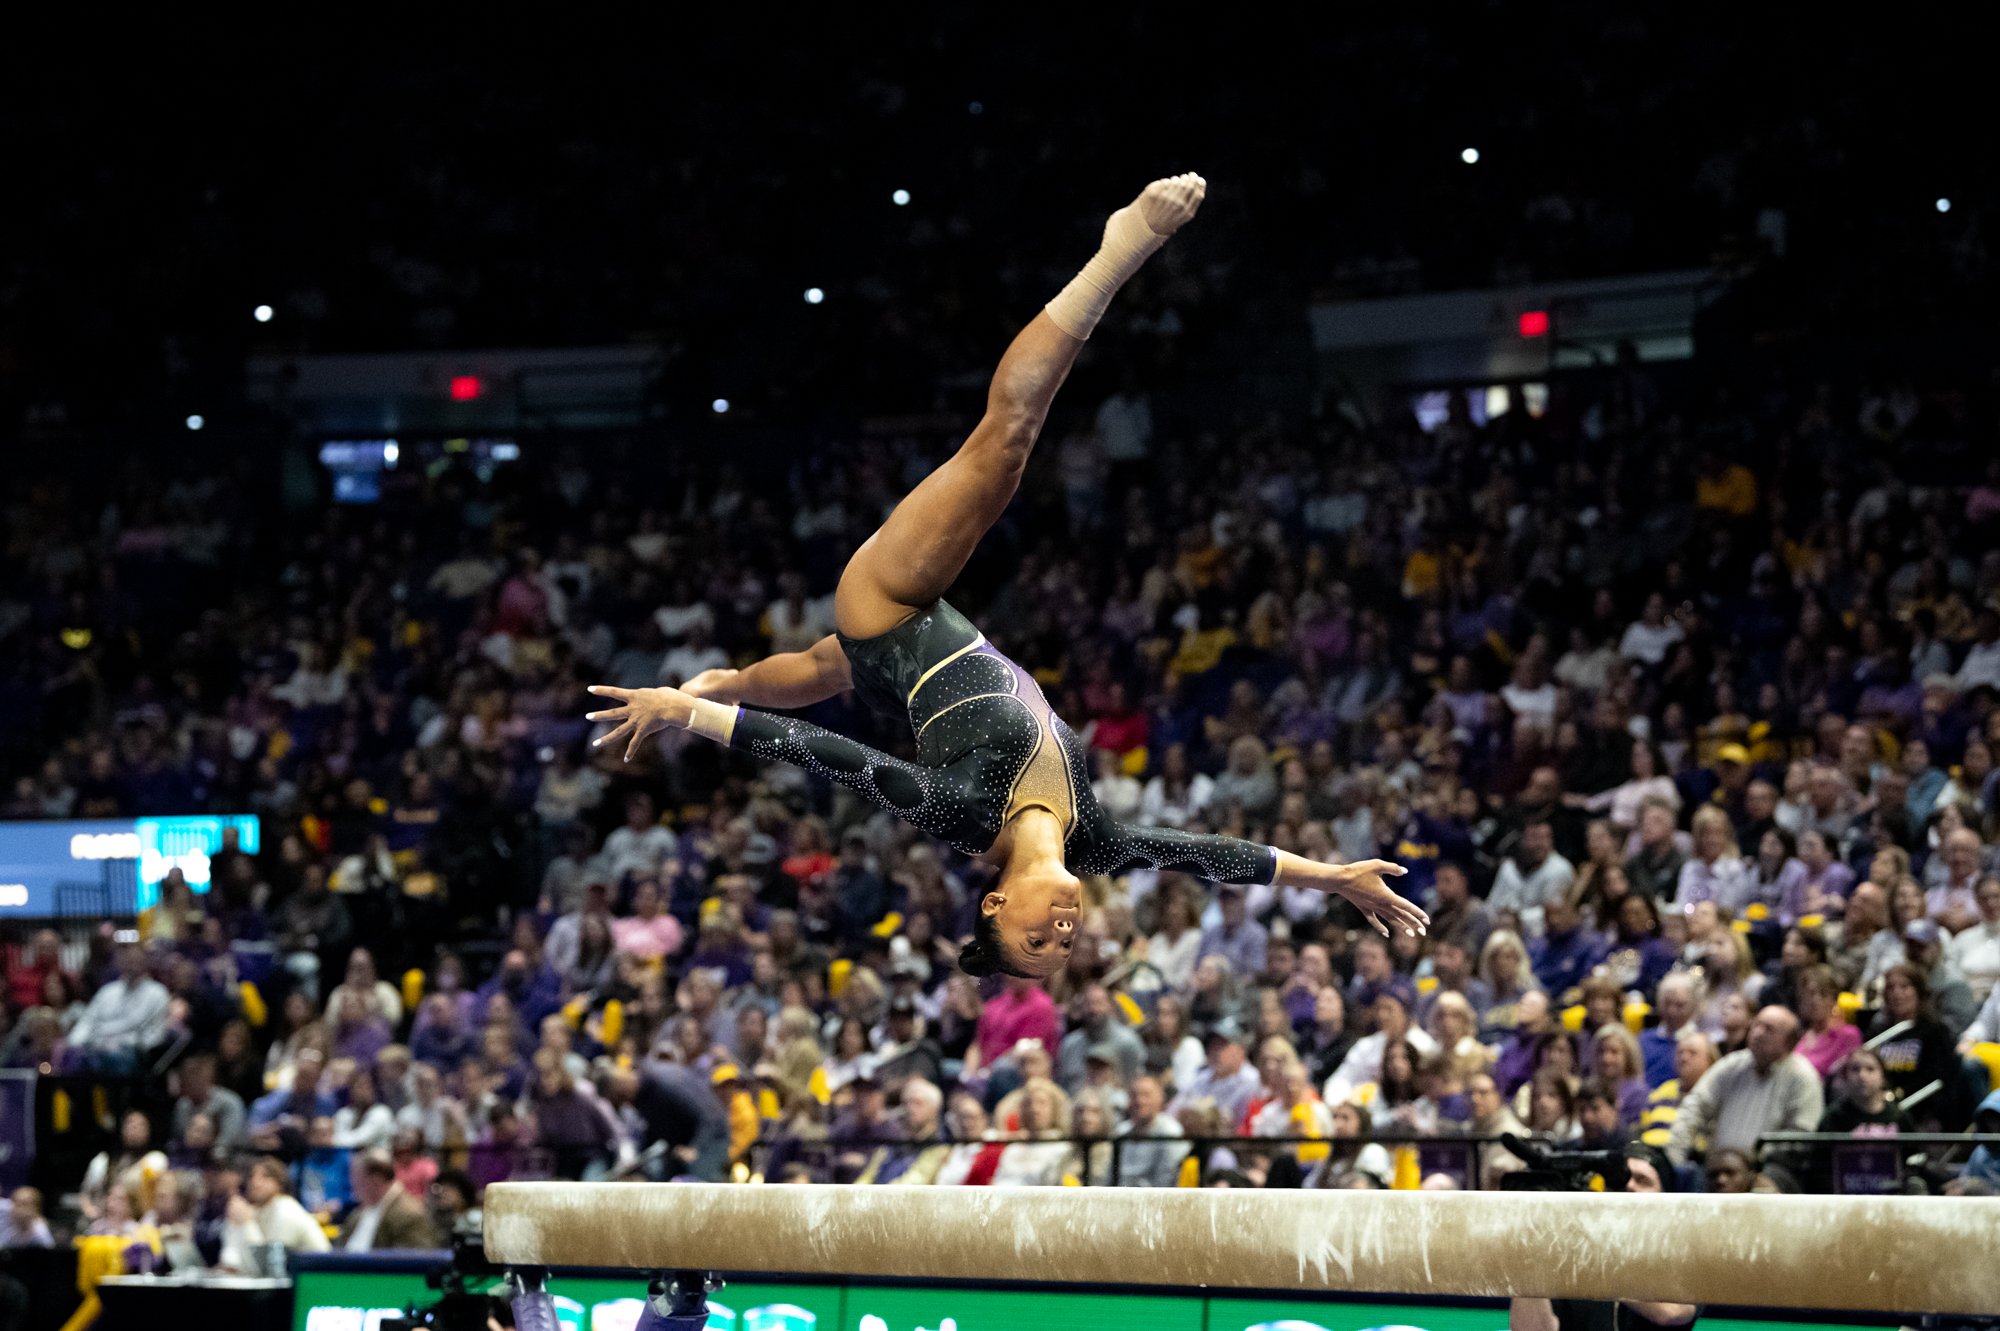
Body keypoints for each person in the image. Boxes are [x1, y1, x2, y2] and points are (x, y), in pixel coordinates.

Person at [583, 175, 1427, 980]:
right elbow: (1213, 855)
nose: (1062, 930)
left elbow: (824, 751)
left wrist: (689, 714)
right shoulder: (1092, 839)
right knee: (820, 668)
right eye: (1064, 943)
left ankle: (1116, 249)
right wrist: (1332, 877)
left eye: (1034, 934)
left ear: (993, 899)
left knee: (1007, 441)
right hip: (894, 663)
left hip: (891, 608)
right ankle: (729, 673)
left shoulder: (961, 814)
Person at [1509, 1143, 1697, 1331]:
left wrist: (1588, 1248)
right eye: (1619, 1180)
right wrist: (1531, 1250)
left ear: (1666, 1197)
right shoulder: (1567, 1253)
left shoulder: (1681, 1255)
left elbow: (1671, 1311)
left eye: (1642, 1180)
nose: (1629, 1186)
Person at [1665, 1006, 1823, 1164]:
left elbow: (1801, 1139)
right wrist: (1675, 1159)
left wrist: (1758, 1168)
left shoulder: (1802, 1077)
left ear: (1788, 1042)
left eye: (1769, 1029)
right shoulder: (1732, 1065)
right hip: (1719, 1168)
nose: (1757, 1033)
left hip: (1772, 1170)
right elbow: (1694, 1107)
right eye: (1756, 1025)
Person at [604, 1060, 734, 1181]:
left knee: (699, 1185)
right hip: (691, 1139)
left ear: (626, 1083)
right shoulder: (644, 1096)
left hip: (712, 1134)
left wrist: (697, 1148)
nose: (626, 1104)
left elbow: (704, 1113)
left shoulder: (659, 1089)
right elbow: (658, 1134)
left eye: (622, 1096)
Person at [69, 940, 170, 1073]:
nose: (130, 963)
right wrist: (73, 1043)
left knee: (111, 1058)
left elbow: (154, 1036)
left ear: (144, 961)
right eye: (126, 958)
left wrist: (121, 1043)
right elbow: (87, 1022)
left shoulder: (157, 993)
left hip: (132, 1053)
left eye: (135, 959)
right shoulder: (107, 992)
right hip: (97, 1046)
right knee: (74, 1057)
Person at [220, 1157, 332, 1271]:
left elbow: (268, 1267)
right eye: (252, 1176)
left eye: (265, 1177)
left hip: (320, 1278)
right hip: (294, 1279)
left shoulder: (287, 1210)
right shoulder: (257, 1211)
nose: (255, 1183)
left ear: (279, 1184)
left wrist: (248, 1223)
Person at [337, 1150, 441, 1251]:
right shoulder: (356, 1216)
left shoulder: (407, 1213)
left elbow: (417, 1260)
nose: (352, 1186)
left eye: (357, 1179)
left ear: (375, 1180)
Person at [1113, 1075, 1189, 1187]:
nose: (1139, 1100)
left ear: (1160, 1098)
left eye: (1146, 1095)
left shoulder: (1170, 1132)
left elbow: (1166, 1180)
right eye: (1134, 1095)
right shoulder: (1120, 1132)